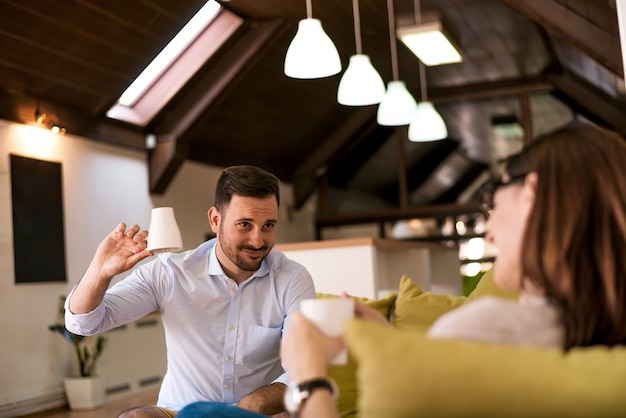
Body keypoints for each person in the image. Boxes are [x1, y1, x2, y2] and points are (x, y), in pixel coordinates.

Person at [278, 121, 626, 418]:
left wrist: (309, 376)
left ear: (530, 195)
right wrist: (396, 348)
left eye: (493, 195)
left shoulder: (490, 328)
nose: (489, 227)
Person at [65, 165, 316, 417]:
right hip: (181, 411)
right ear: (215, 220)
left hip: (258, 413)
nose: (257, 240)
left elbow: (305, 366)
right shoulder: (170, 272)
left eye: (268, 225)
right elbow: (82, 324)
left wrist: (256, 403)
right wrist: (100, 272)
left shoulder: (292, 278)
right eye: (244, 224)